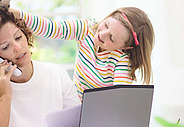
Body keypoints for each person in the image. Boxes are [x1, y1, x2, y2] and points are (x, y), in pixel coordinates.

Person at [9, 6, 155, 99]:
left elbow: (119, 100)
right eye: (106, 25)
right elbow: (52, 28)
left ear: (125, 47)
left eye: (112, 38)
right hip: (73, 104)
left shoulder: (122, 60)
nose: (102, 34)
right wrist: (13, 12)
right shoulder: (87, 28)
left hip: (98, 114)